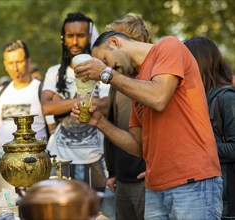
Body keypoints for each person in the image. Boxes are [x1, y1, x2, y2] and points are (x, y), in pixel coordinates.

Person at [71, 31, 222, 219]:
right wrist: (99, 122)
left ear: (115, 43)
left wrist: (105, 73)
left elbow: (158, 97)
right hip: (155, 187)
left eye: (104, 60)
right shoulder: (137, 84)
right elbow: (138, 146)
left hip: (191, 182)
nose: (109, 67)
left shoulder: (168, 46)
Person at [41, 12, 109, 192]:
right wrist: (87, 100)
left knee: (97, 214)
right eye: (70, 36)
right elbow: (46, 107)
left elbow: (107, 105)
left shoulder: (101, 71)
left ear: (89, 36)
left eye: (80, 35)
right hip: (60, 159)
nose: (75, 41)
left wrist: (62, 103)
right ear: (64, 38)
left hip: (95, 158)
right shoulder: (54, 73)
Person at [102, 13, 152, 220]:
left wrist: (154, 169)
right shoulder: (117, 79)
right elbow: (114, 122)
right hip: (122, 179)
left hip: (146, 180)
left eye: (116, 42)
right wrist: (112, 170)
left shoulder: (153, 79)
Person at [184, 36, 235, 219]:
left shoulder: (226, 98)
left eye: (186, 60)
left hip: (226, 203)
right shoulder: (199, 98)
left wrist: (199, 147)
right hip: (204, 195)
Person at [0, 40, 47, 150]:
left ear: (28, 62)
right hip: (5, 162)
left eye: (19, 62)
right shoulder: (0, 92)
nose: (15, 68)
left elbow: (52, 129)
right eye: (10, 63)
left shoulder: (43, 90)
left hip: (35, 162)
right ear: (5, 65)